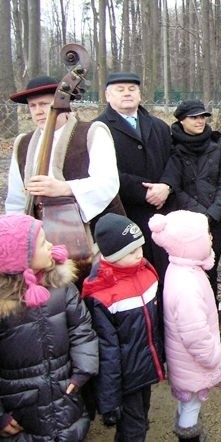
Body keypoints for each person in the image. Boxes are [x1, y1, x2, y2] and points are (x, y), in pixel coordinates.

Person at [0, 214, 98, 440]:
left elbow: (81, 328)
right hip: (21, 409)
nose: (51, 246)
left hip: (66, 392)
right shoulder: (5, 307)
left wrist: (83, 370)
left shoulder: (60, 286)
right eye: (43, 243)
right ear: (20, 259)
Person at [81, 213, 165, 441]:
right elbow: (106, 350)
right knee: (134, 429)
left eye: (140, 247)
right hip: (125, 379)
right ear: (113, 255)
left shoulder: (147, 273)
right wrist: (109, 400)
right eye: (131, 251)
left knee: (140, 419)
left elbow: (156, 324)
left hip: (145, 368)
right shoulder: (102, 295)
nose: (139, 254)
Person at [149, 210, 221, 442]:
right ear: (189, 243)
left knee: (188, 402)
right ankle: (189, 436)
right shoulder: (187, 285)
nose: (211, 237)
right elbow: (194, 334)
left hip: (185, 361)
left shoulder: (182, 269)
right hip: (192, 361)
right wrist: (213, 357)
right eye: (206, 234)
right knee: (191, 405)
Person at [5, 75, 121, 233]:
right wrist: (20, 232)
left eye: (44, 104)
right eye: (32, 106)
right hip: (40, 234)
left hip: (93, 231)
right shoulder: (23, 143)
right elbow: (16, 199)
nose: (38, 111)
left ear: (63, 103)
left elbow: (107, 183)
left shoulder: (92, 132)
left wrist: (65, 188)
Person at [94, 72, 178, 287]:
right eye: (120, 89)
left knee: (167, 275)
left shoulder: (159, 126)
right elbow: (103, 173)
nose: (127, 94)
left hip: (163, 211)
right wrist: (145, 192)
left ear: (140, 94)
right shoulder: (97, 129)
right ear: (107, 95)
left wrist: (166, 186)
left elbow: (174, 161)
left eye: (132, 89)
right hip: (126, 213)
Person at [168, 100, 221, 308]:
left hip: (214, 220)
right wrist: (199, 216)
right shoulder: (172, 147)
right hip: (185, 221)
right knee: (187, 272)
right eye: (194, 117)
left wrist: (212, 214)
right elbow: (174, 187)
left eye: (202, 117)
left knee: (211, 271)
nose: (200, 121)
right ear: (181, 120)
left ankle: (211, 318)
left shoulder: (217, 146)